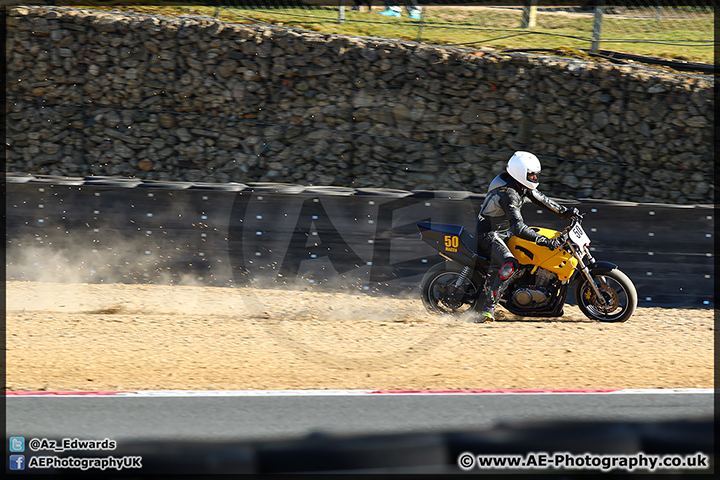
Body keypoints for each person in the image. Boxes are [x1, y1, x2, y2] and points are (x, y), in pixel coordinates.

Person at [474, 151, 580, 323]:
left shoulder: (519, 184)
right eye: (530, 174)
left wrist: (565, 212)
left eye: (535, 174)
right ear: (519, 172)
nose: (534, 177)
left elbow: (541, 199)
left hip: (504, 232)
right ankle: (488, 309)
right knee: (510, 263)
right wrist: (547, 242)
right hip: (489, 234)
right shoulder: (508, 192)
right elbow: (518, 227)